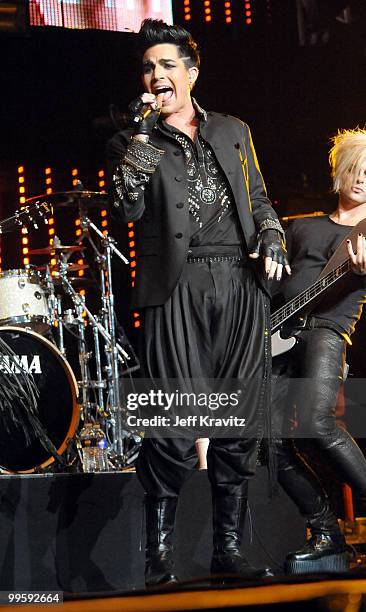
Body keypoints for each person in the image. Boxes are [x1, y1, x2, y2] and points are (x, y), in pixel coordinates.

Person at [107, 18, 289, 586]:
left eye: (166, 65)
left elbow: (257, 197)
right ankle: (158, 559)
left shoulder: (234, 130)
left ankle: (227, 551)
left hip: (239, 284)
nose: (156, 75)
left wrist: (273, 235)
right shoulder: (130, 140)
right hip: (175, 290)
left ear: (191, 72)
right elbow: (126, 209)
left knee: (237, 419)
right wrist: (138, 138)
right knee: (176, 419)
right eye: (147, 67)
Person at [271, 128, 366, 574]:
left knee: (316, 422)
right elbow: (267, 282)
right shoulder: (301, 224)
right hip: (276, 334)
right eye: (355, 170)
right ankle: (325, 531)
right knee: (269, 444)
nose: (362, 179)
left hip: (327, 330)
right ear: (340, 174)